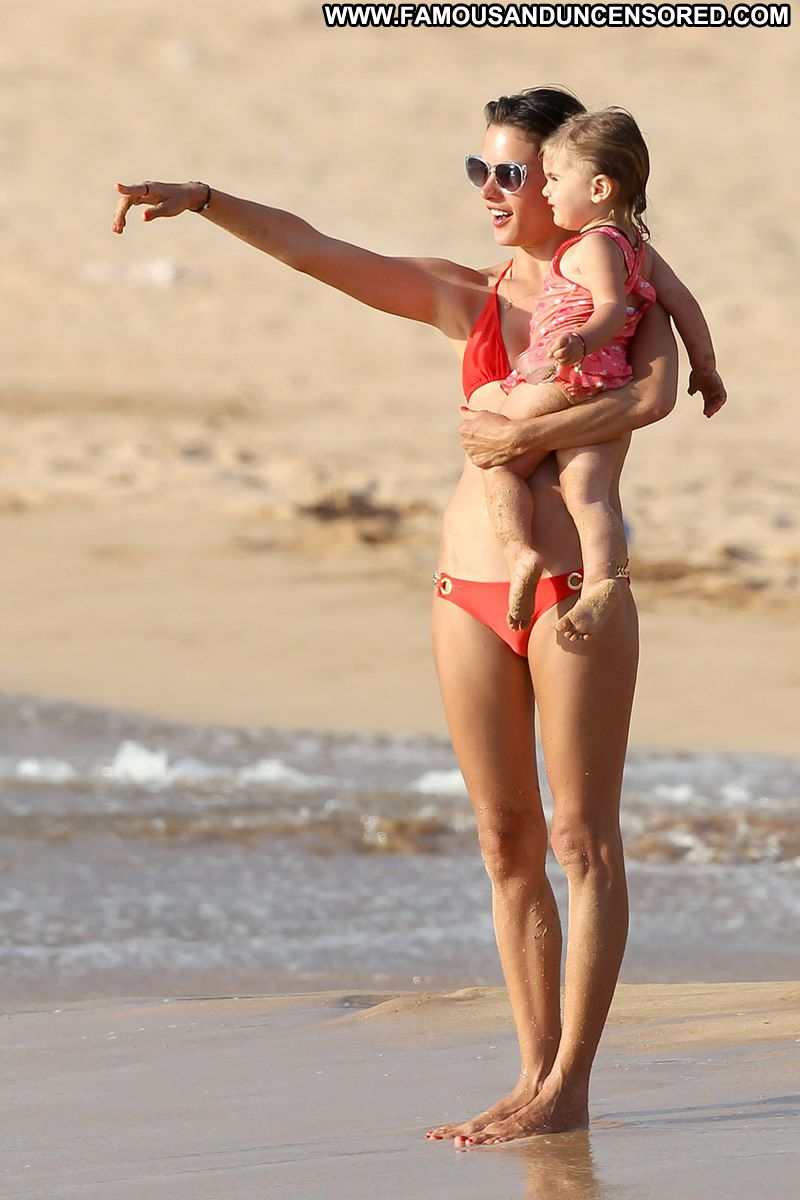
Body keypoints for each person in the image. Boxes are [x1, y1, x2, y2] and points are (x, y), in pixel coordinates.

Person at [112, 86, 680, 1146]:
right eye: (478, 170)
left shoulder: (623, 292)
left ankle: (570, 1085)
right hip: (464, 589)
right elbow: (317, 251)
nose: (489, 191)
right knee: (504, 840)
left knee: (580, 839)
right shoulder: (466, 295)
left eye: (509, 172)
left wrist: (517, 439)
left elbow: (652, 396)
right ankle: (530, 1074)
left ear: (567, 180)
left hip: (572, 590)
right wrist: (205, 200)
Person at [476, 107, 725, 640]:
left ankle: (519, 553)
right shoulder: (641, 250)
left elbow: (609, 308)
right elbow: (685, 306)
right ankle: (601, 584)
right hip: (609, 384)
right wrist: (705, 367)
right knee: (588, 493)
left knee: (496, 459)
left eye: (555, 179)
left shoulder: (592, 245)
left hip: (565, 375)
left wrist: (580, 342)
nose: (546, 191)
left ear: (599, 188)